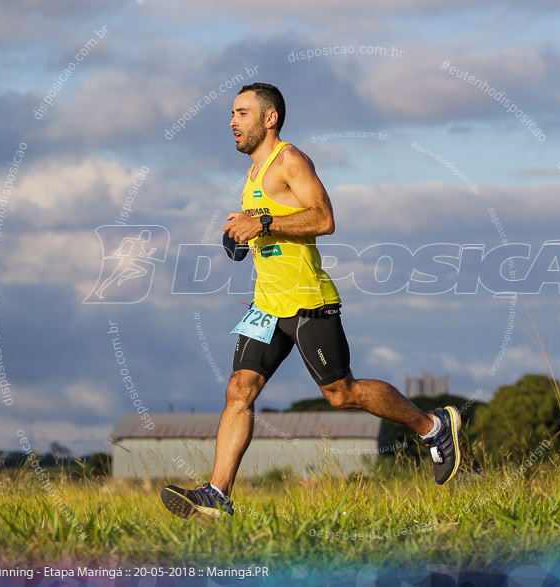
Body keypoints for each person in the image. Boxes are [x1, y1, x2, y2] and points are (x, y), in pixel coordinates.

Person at [161, 83, 461, 519]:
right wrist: (241, 237)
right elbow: (272, 228)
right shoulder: (252, 174)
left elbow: (324, 219)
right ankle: (217, 495)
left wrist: (261, 223)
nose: (232, 121)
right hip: (266, 305)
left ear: (270, 119)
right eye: (232, 113)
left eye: (242, 113)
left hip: (307, 302)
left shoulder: (290, 161)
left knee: (341, 394)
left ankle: (432, 427)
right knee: (238, 391)